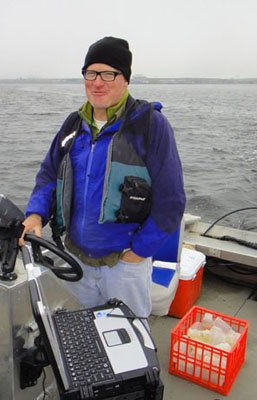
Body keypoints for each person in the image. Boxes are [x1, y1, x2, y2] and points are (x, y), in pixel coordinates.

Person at [20, 36, 186, 319]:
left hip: (124, 265)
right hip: (74, 260)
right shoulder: (73, 124)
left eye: (109, 73)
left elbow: (171, 201)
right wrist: (35, 215)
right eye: (91, 73)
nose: (98, 82)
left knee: (127, 345)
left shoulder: (149, 126)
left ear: (126, 79)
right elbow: (49, 174)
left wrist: (138, 253)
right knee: (81, 340)